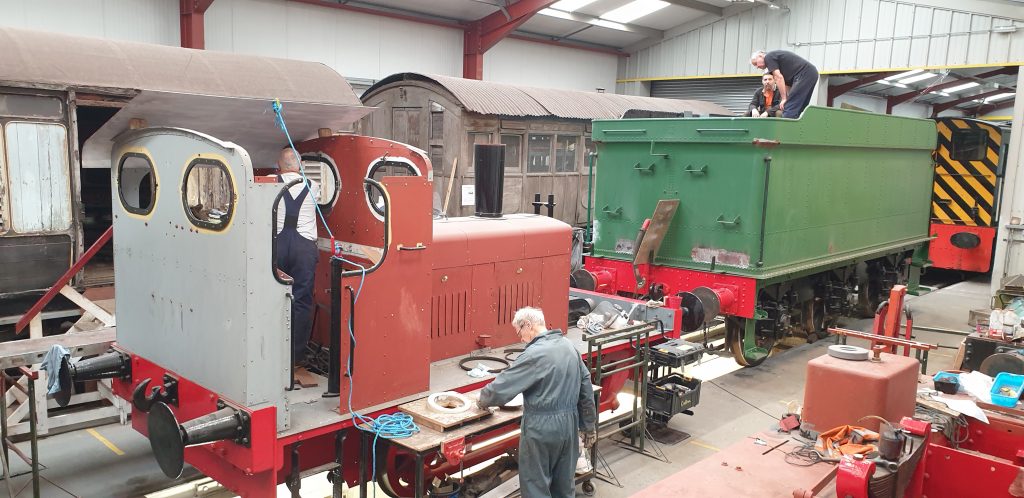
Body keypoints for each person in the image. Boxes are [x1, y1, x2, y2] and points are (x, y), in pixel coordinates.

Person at [477, 307, 597, 498]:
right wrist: (588, 425)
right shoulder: (568, 346)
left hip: (541, 429)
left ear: (528, 325)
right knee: (564, 487)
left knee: (536, 487)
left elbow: (502, 386)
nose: (520, 338)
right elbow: (586, 386)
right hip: (569, 427)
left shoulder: (534, 354)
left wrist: (483, 399)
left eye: (519, 332)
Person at [274, 147, 320, 372]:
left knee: (274, 298)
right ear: (300, 164)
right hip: (304, 249)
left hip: (278, 245)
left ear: (279, 165)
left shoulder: (272, 183)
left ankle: (272, 353)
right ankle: (297, 356)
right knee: (301, 301)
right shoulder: (314, 187)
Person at [750, 49, 819, 119]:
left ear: (760, 56)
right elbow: (786, 83)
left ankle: (787, 127)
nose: (757, 67)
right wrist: (787, 98)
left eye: (756, 63)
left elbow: (779, 78)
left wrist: (784, 98)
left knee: (790, 109)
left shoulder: (768, 57)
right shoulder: (775, 65)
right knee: (798, 106)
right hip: (811, 73)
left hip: (805, 73)